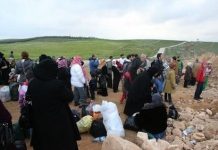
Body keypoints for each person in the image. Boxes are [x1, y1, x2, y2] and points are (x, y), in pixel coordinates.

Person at [27, 58, 80, 150]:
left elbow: (28, 98)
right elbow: (69, 97)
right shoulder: (56, 84)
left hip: (40, 122)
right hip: (59, 122)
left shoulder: (33, 84)